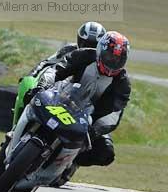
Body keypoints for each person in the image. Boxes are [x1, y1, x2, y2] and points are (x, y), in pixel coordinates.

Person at [38, 30, 131, 179]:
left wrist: (95, 129)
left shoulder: (123, 83)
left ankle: (72, 162)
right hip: (61, 97)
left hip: (88, 118)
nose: (113, 62)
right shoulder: (85, 55)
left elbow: (115, 114)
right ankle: (16, 132)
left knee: (106, 153)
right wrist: (44, 84)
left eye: (118, 59)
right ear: (101, 50)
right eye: (109, 56)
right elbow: (58, 69)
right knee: (33, 96)